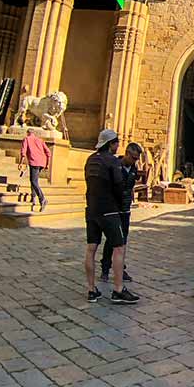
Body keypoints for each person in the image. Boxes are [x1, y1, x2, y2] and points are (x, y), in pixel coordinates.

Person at [84, 129, 139, 305]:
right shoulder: (112, 162)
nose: (117, 147)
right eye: (116, 143)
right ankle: (118, 289)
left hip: (91, 209)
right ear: (111, 144)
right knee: (119, 247)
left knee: (91, 249)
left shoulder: (90, 159)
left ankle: (92, 290)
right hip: (109, 210)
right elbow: (119, 186)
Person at [101, 142, 142, 284]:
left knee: (123, 241)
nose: (134, 161)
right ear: (126, 153)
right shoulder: (115, 166)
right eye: (133, 157)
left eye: (137, 159)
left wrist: (131, 199)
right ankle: (105, 268)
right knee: (111, 240)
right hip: (114, 209)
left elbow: (131, 187)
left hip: (125, 209)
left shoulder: (133, 168)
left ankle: (120, 268)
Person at [18, 129, 51, 212]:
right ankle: (33, 197)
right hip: (42, 162)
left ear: (28, 133)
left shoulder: (26, 139)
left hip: (34, 162)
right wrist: (47, 164)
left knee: (33, 181)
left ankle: (42, 199)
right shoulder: (40, 140)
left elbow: (23, 152)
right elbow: (48, 152)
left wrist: (21, 163)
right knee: (34, 180)